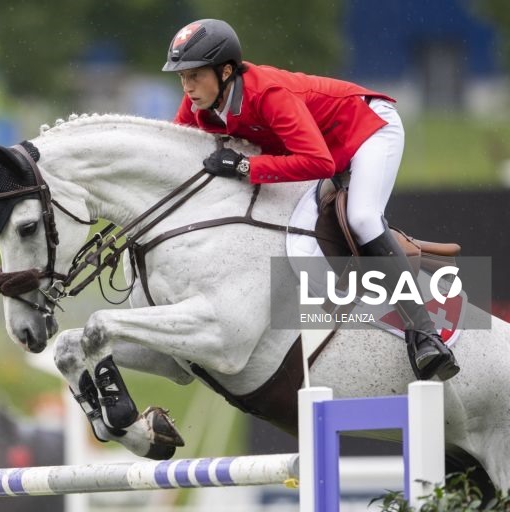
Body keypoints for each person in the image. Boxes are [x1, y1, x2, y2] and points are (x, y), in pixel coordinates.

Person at [162, 19, 459, 381]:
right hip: (320, 146)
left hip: (367, 129)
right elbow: (176, 153)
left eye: (195, 76)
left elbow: (320, 162)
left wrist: (244, 165)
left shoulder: (267, 94)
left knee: (363, 218)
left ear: (225, 71)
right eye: (182, 77)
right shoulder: (198, 103)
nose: (187, 87)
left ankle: (425, 334)